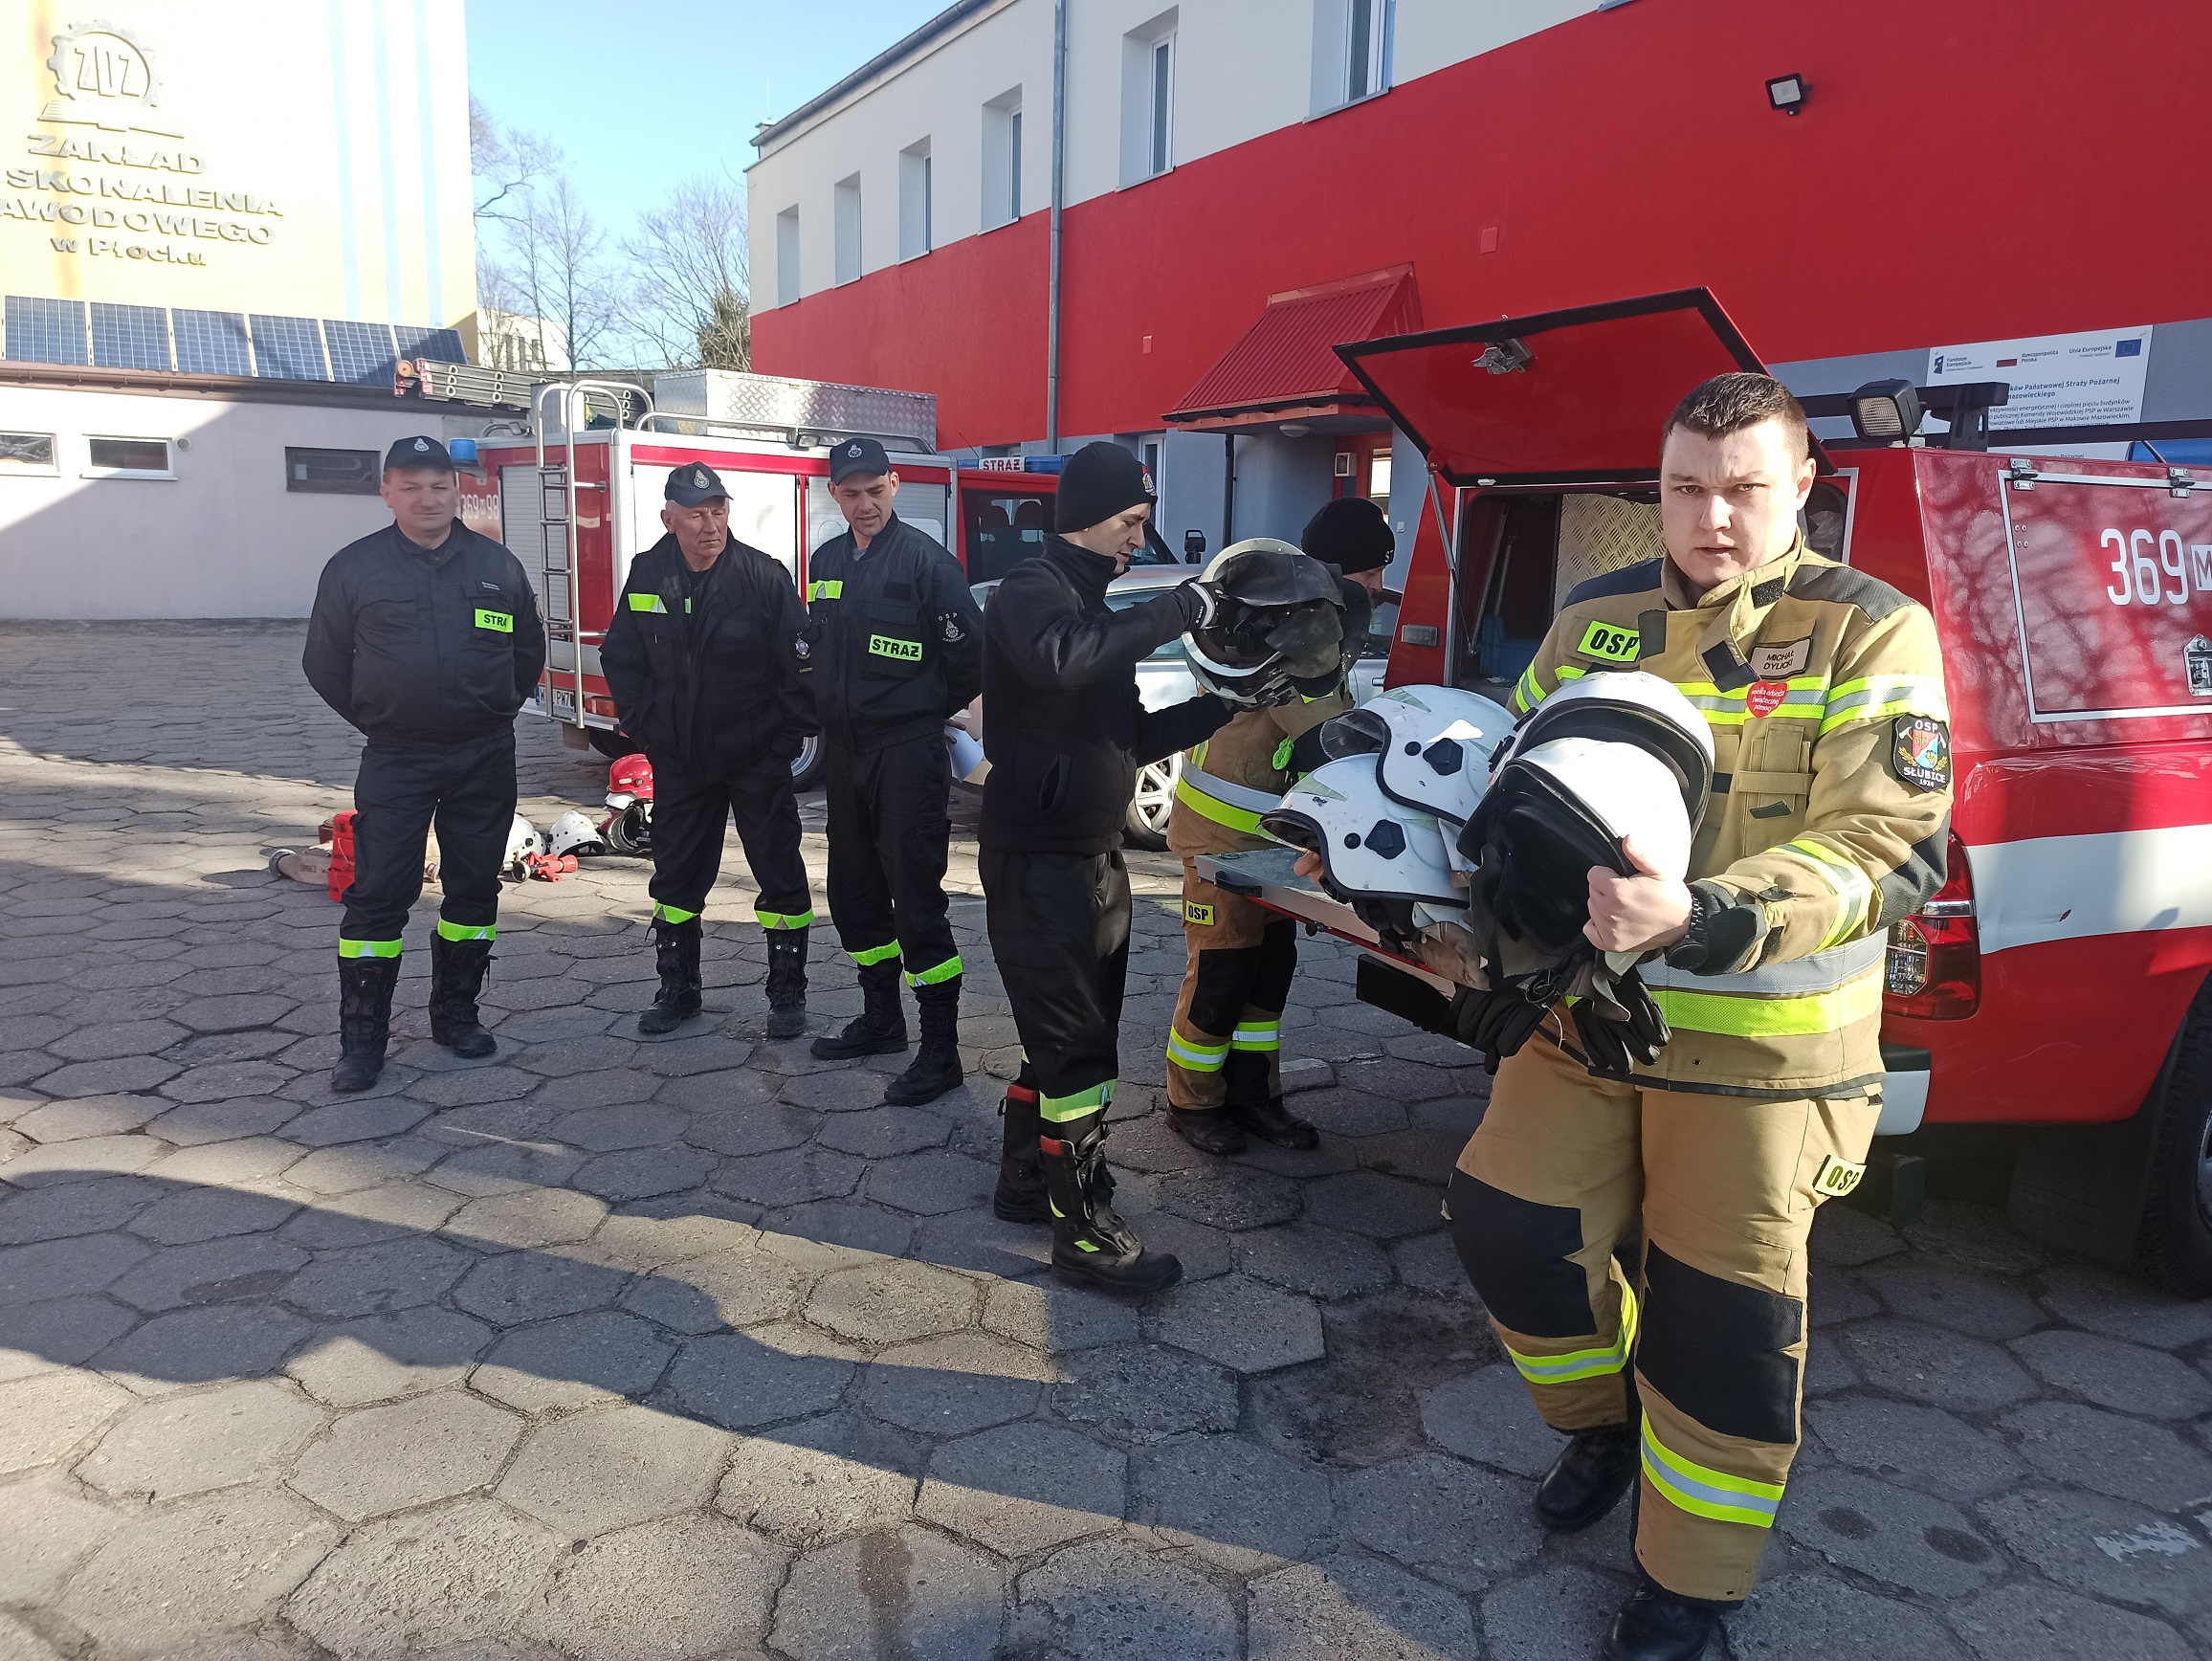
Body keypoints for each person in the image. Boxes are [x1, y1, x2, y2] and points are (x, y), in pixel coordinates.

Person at [1440, 374, 1953, 1659]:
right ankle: (1604, 1426)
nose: (1710, 516)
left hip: (1762, 1055)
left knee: (1720, 1324)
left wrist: (1707, 913)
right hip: (1585, 1019)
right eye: (1684, 488)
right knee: (1507, 1227)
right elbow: (1513, 773)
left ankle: (1689, 1588)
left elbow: (1890, 847)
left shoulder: (1868, 628)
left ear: (1803, 489)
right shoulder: (1593, 615)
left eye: (1741, 489)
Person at [979, 441, 1233, 1294]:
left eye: (1142, 521)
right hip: (1037, 862)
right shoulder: (1032, 590)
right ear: (1086, 516)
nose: (1137, 536)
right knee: (1078, 1048)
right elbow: (1061, 656)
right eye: (1129, 520)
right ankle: (1081, 1233)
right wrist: (1178, 608)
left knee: (1068, 1038)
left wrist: (1222, 706)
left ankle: (1026, 1180)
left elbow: (1130, 738)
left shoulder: (1091, 606)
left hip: (1092, 858)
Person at [302, 434, 546, 1093]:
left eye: (439, 486)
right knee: (379, 894)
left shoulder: (496, 566)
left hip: (484, 754)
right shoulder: (355, 568)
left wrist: (493, 708)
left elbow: (528, 651)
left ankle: (457, 1017)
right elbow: (323, 662)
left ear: (457, 491)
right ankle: (362, 1043)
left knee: (475, 889)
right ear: (387, 492)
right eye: (410, 486)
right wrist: (381, 718)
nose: (426, 498)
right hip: (397, 757)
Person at [1161, 497, 1393, 1154]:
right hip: (1221, 843)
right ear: (1338, 571)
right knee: (1222, 973)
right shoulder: (1292, 629)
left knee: (1268, 973)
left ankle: (1254, 1095)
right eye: (1371, 572)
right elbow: (1323, 737)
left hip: (1268, 843)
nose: (1378, 586)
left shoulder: (1304, 617)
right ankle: (1191, 1101)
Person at [599, 463, 819, 1040]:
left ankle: (787, 995)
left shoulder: (762, 576)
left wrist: (783, 742)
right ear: (668, 519)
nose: (710, 525)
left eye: (718, 511)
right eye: (696, 514)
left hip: (755, 757)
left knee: (779, 872)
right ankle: (678, 992)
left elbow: (800, 666)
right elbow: (621, 656)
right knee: (675, 877)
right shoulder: (648, 573)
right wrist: (644, 728)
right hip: (680, 758)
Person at [803, 437, 984, 1105]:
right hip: (845, 754)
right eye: (851, 493)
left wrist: (925, 708)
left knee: (916, 899)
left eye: (875, 490)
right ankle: (882, 1020)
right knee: (853, 894)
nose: (865, 504)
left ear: (895, 484)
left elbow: (970, 661)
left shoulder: (929, 565)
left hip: (906, 752)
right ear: (834, 495)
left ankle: (941, 1051)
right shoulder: (825, 562)